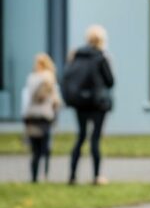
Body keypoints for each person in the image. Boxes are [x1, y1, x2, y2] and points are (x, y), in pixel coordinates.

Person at [62, 25, 115, 185]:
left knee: (81, 136)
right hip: (97, 104)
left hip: (80, 104)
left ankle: (72, 176)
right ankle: (97, 176)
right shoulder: (101, 57)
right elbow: (110, 81)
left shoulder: (76, 56)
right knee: (95, 139)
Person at [21, 53, 63, 183]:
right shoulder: (50, 79)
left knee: (35, 150)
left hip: (32, 116)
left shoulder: (31, 78)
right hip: (45, 116)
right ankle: (45, 174)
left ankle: (34, 177)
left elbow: (26, 99)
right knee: (46, 148)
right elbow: (56, 101)